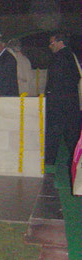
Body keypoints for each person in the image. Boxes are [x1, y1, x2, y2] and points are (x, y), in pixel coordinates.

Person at [45, 31, 81, 165]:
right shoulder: (70, 55)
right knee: (70, 134)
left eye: (52, 43)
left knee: (54, 134)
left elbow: (55, 82)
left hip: (58, 103)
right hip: (70, 102)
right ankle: (74, 160)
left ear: (60, 42)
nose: (50, 46)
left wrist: (50, 97)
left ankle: (49, 162)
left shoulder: (59, 57)